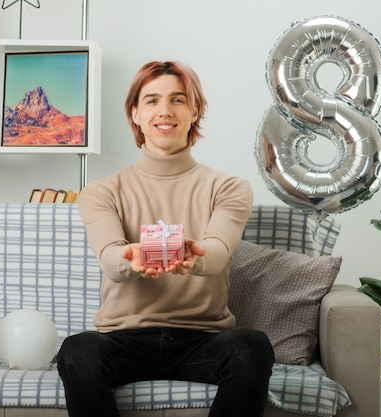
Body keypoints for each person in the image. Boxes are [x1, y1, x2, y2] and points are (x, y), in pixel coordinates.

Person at [57, 61, 274, 417]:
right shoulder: (100, 191)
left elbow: (218, 252)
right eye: (152, 100)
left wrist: (195, 256)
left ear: (194, 111)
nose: (164, 111)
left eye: (177, 100)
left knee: (251, 345)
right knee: (78, 349)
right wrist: (131, 258)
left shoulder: (229, 187)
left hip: (202, 339)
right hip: (123, 340)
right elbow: (110, 258)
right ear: (136, 114)